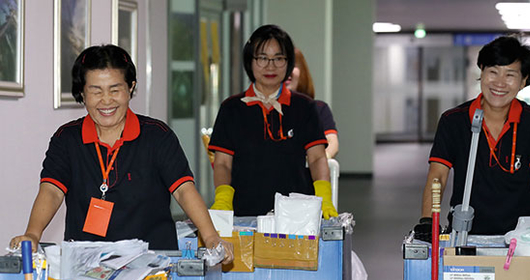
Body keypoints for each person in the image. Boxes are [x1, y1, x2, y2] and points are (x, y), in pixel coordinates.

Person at [9, 44, 233, 263]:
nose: (106, 100)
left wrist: (210, 236)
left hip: (152, 263)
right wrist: (33, 234)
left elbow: (183, 190)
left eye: (115, 90)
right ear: (82, 93)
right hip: (87, 265)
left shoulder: (157, 135)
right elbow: (52, 191)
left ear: (131, 88)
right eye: (95, 91)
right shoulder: (66, 139)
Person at [415, 35, 530, 239]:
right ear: (481, 70)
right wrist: (428, 221)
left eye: (510, 75)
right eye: (493, 71)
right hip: (466, 233)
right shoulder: (453, 120)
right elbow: (438, 175)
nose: (499, 83)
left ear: (523, 81)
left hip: (523, 237)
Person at [208, 24, 338, 219]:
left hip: (297, 215)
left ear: (288, 63)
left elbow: (317, 158)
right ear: (250, 61)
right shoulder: (231, 108)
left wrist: (324, 198)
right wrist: (223, 198)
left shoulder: (305, 107)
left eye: (278, 58)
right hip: (243, 213)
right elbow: (223, 163)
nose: (271, 66)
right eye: (262, 58)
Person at [285, 48, 339, 159]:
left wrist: (320, 159)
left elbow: (332, 143)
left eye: (292, 64)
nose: (286, 70)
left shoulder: (318, 109)